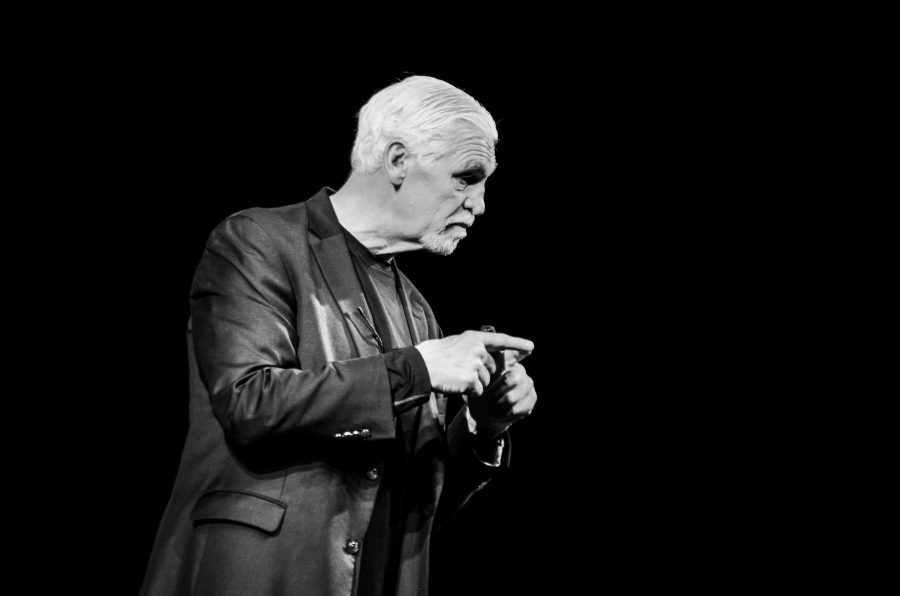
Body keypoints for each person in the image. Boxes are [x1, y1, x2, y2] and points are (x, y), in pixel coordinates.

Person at [140, 75, 537, 596]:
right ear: (397, 160)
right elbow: (250, 402)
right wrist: (415, 370)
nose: (480, 205)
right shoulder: (259, 242)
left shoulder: (417, 311)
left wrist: (484, 429)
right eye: (467, 177)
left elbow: (419, 504)